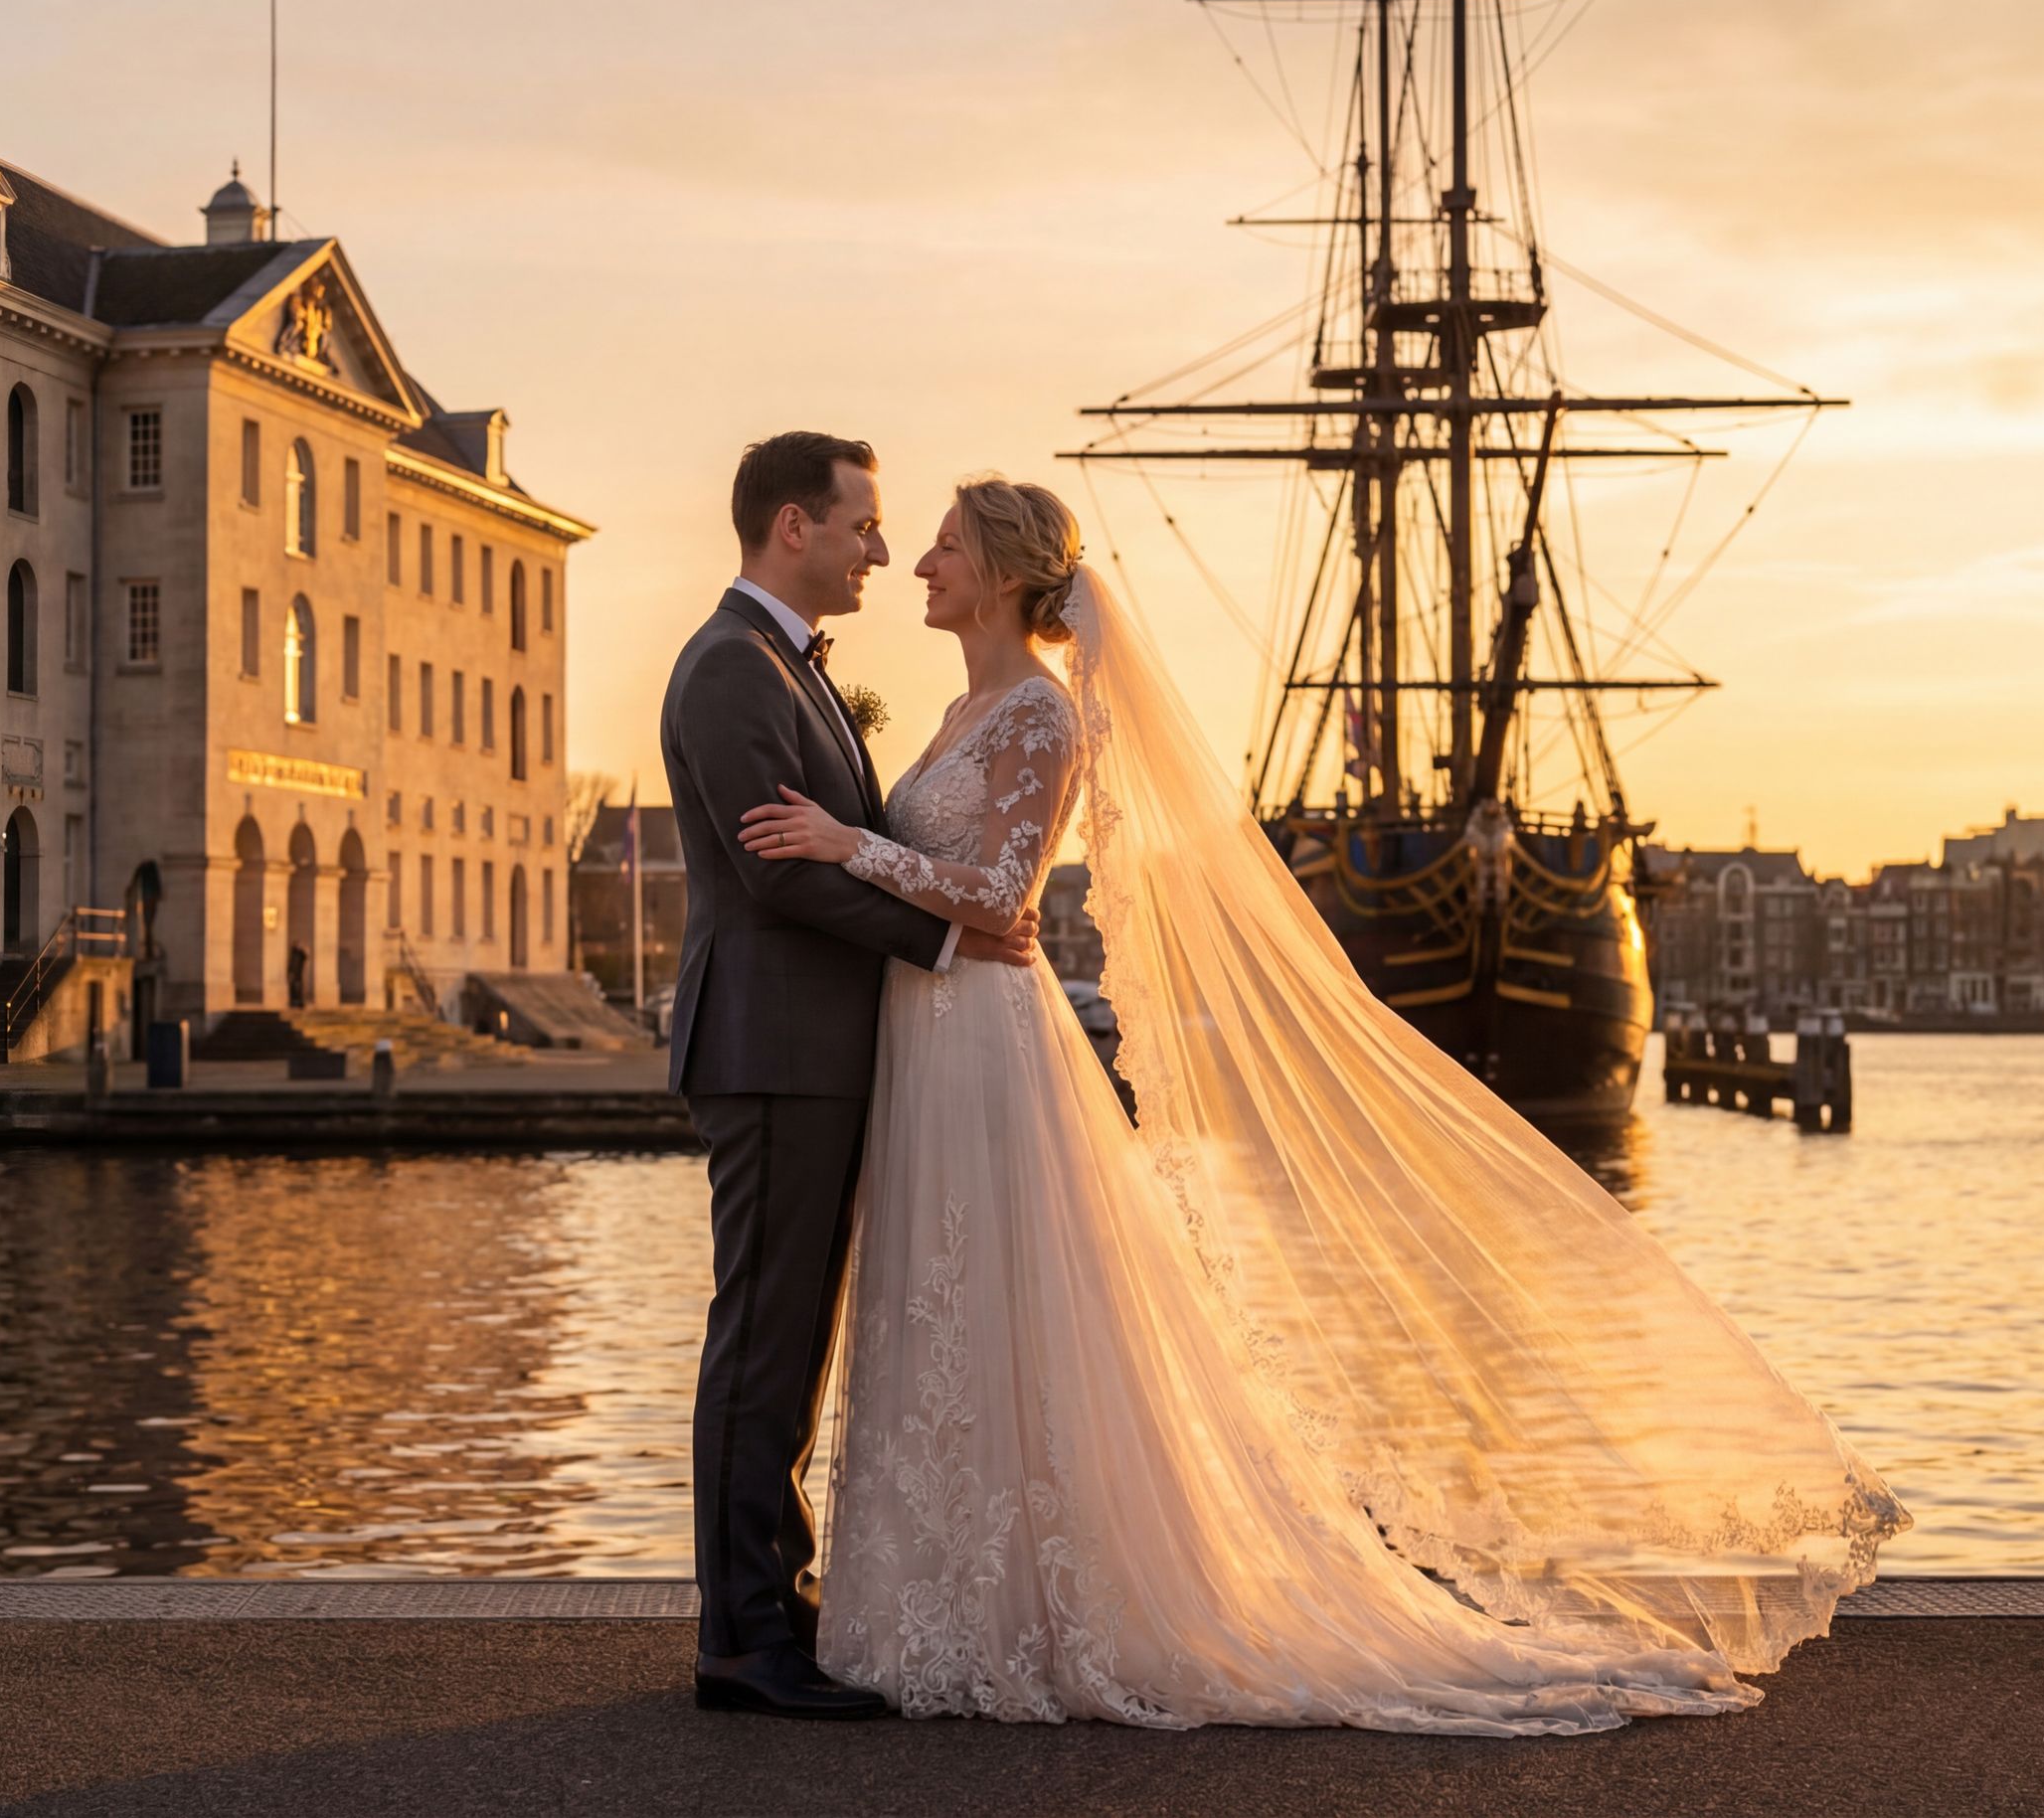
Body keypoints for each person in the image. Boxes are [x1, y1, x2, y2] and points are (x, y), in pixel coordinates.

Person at [739, 474, 1907, 1734]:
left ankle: (1028, 1608)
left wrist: (845, 844)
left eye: (947, 545)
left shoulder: (1038, 714)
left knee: (999, 1307)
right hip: (932, 1036)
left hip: (984, 1044)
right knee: (941, 1305)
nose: (919, 560)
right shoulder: (967, 705)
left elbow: (1008, 896)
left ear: (1007, 573)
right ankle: (944, 1602)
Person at [656, 433, 1043, 1720]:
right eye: (862, 525)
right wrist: (951, 931)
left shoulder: (788, 668)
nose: (881, 549)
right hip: (769, 1053)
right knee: (761, 1341)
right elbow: (782, 869)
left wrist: (947, 909)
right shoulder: (730, 669)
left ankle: (781, 1591)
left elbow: (848, 845)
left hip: (815, 1054)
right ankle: (738, 1639)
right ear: (790, 530)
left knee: (795, 1340)